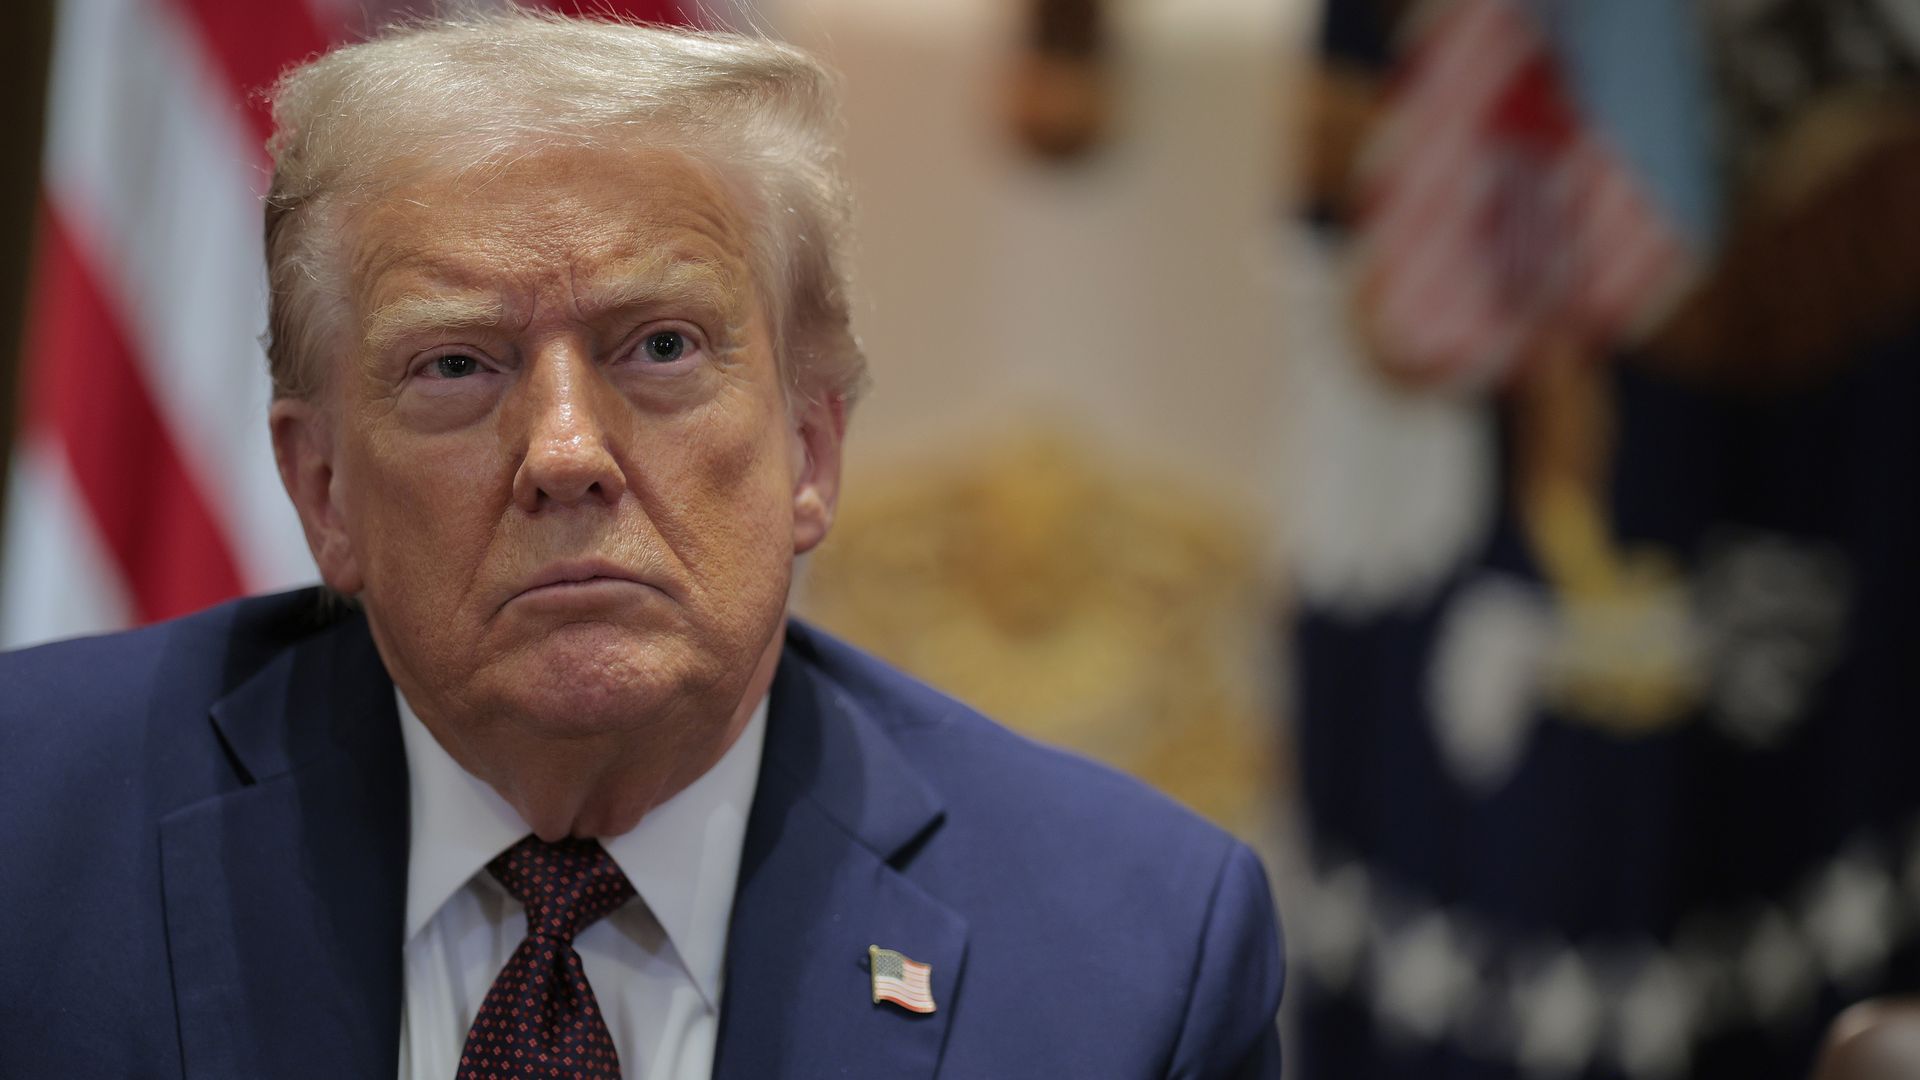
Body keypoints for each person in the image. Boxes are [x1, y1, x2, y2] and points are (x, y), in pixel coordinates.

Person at [0, 12, 1282, 1079]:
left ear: (811, 451)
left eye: (662, 347)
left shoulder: (1134, 964)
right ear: (323, 488)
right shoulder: (32, 830)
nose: (566, 452)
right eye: (457, 364)